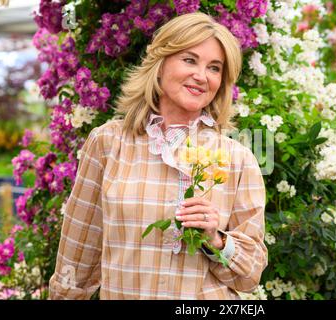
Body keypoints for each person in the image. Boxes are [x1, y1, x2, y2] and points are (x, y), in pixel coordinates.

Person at [49, 12, 267, 300]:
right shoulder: (108, 142)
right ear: (160, 64)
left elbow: (250, 275)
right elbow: (78, 253)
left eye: (214, 68)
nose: (201, 76)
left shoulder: (237, 159)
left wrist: (216, 239)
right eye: (190, 60)